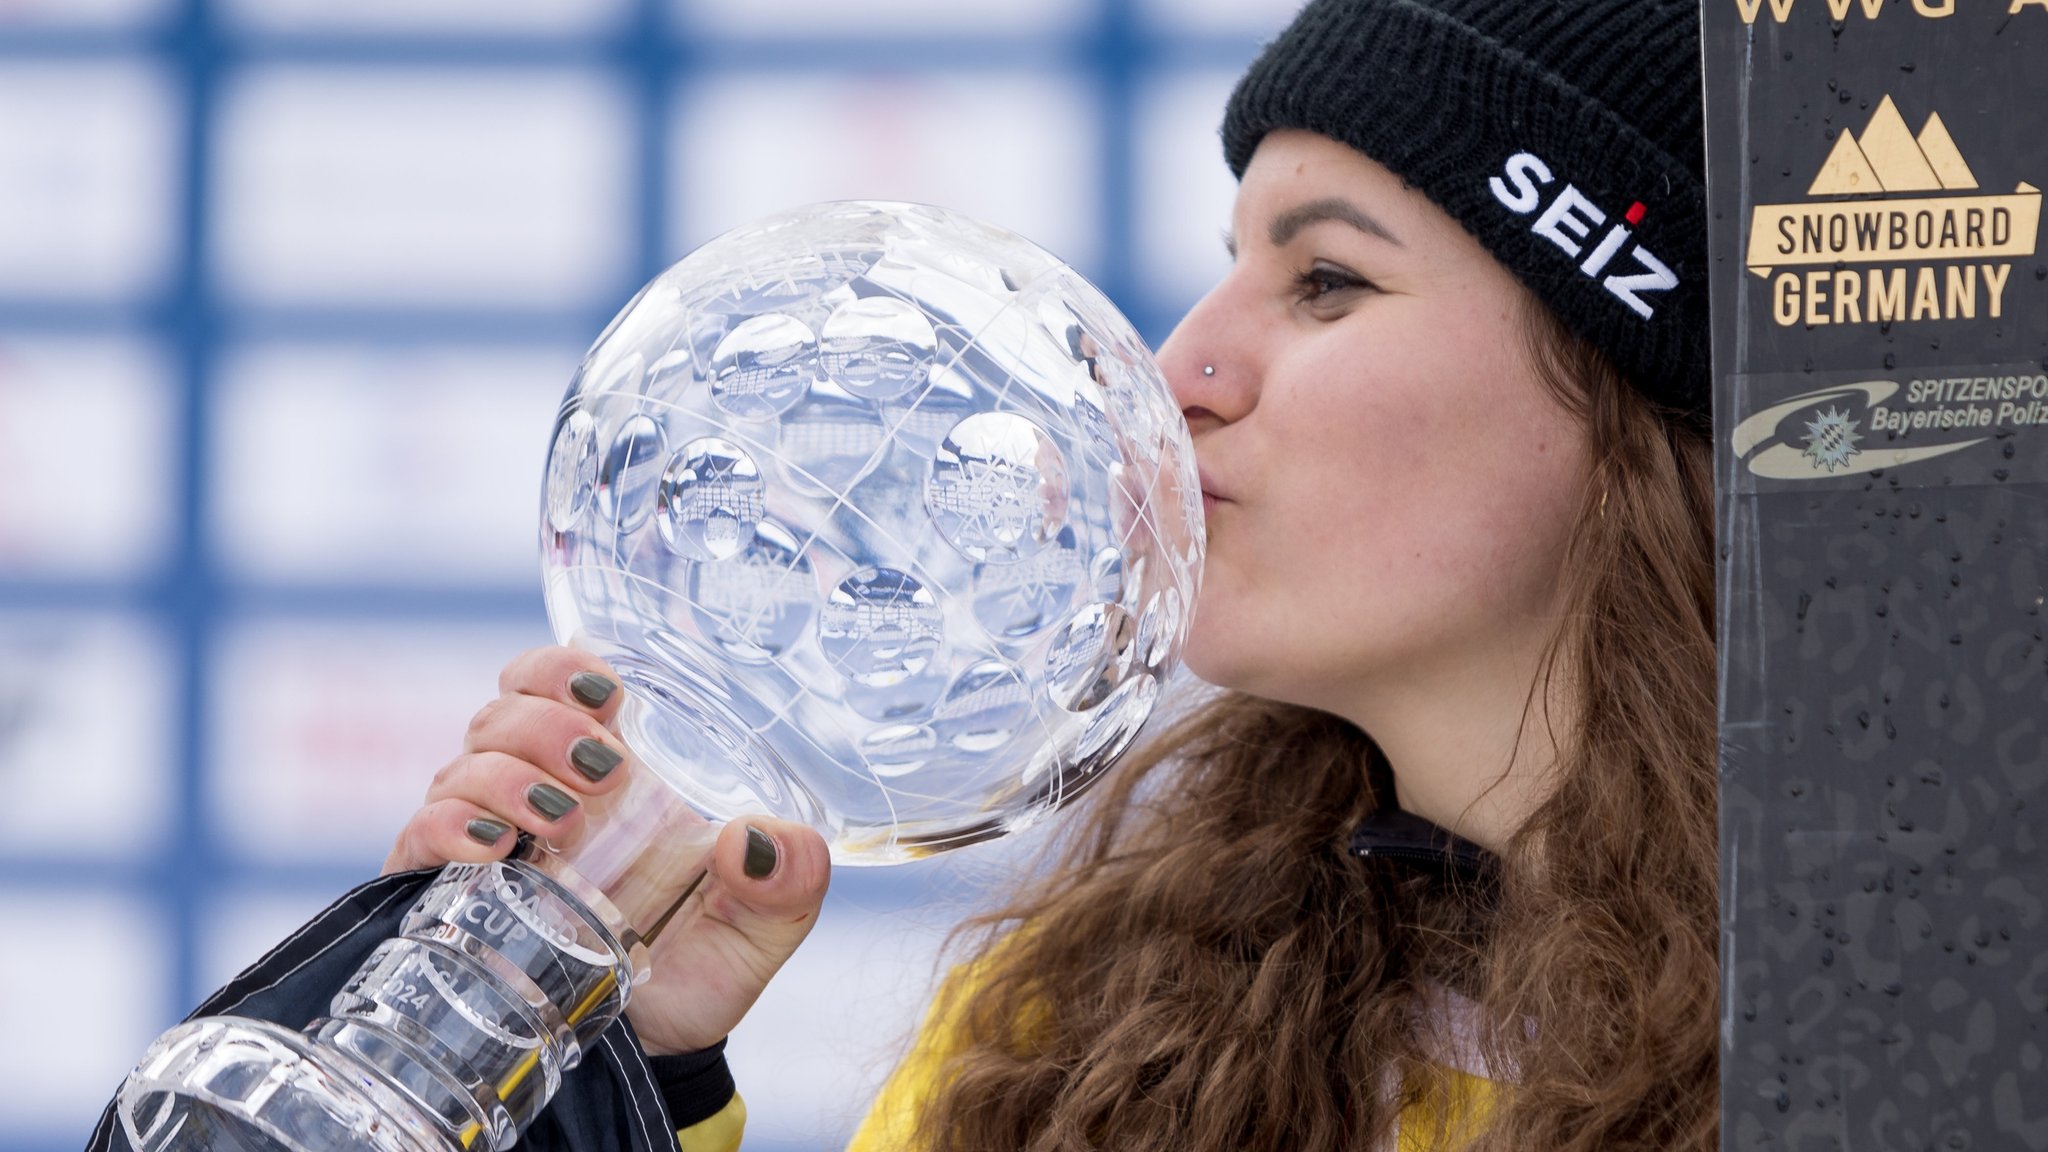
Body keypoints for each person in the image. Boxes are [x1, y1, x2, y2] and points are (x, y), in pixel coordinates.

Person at [391, 0, 1721, 1148]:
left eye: (1326, 281)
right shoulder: (1091, 1038)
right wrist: (617, 1077)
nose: (1180, 370)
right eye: (1232, 268)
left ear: (1631, 400)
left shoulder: (1901, 1030)